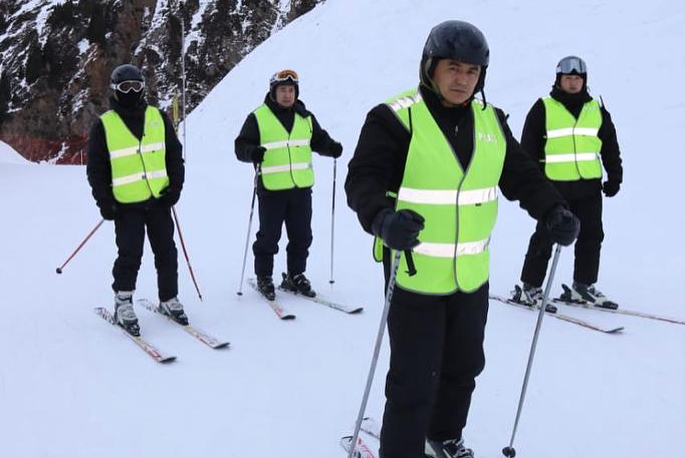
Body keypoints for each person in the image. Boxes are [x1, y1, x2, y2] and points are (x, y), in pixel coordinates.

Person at [345, 21, 580, 458]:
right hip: (414, 272)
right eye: (453, 68)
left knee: (464, 367)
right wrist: (382, 219)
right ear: (430, 67)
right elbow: (363, 179)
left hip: (471, 275)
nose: (462, 80)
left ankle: (444, 434)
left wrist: (554, 210)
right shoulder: (394, 118)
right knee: (414, 377)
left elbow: (522, 175)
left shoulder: (491, 121)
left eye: (472, 71)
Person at [514, 56, 623, 310]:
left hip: (589, 186)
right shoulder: (544, 108)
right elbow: (528, 149)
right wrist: (533, 184)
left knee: (592, 235)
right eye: (568, 78)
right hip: (554, 188)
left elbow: (609, 145)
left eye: (577, 78)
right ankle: (530, 287)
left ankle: (583, 286)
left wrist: (615, 175)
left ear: (584, 81)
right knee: (546, 236)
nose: (573, 83)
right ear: (559, 80)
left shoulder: (596, 109)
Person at [86, 64, 187, 336]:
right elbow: (96, 169)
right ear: (115, 90)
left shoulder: (158, 117)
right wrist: (104, 201)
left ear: (143, 88)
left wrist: (175, 187)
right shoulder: (104, 125)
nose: (131, 92)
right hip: (126, 205)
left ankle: (169, 297)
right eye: (125, 87)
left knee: (166, 251)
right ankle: (123, 301)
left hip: (158, 199)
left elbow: (174, 155)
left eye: (136, 86)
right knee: (130, 254)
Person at [235, 69, 343, 300]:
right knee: (269, 237)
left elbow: (318, 140)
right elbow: (240, 146)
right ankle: (264, 276)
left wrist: (331, 147)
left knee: (302, 236)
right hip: (271, 189)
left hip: (300, 189)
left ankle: (296, 274)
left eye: (291, 90)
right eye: (283, 90)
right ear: (273, 92)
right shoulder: (258, 117)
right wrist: (251, 152)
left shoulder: (306, 117)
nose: (287, 95)